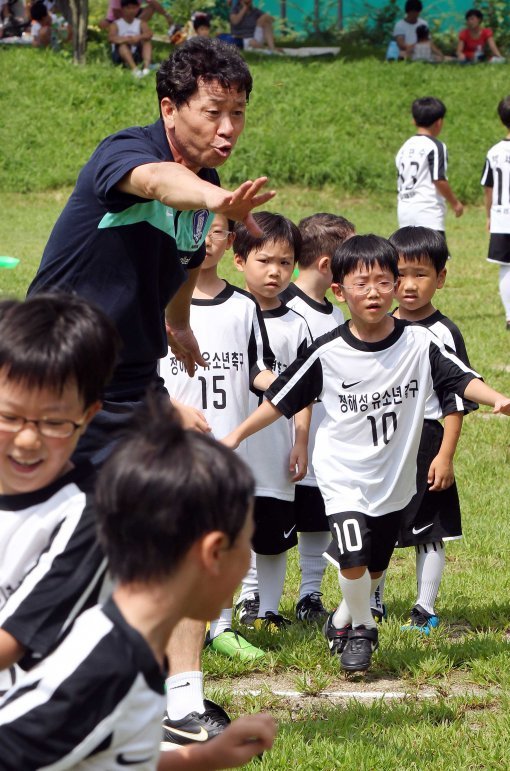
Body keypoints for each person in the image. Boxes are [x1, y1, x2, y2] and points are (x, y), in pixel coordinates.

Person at [223, 234, 510, 673]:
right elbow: (279, 399)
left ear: (394, 285)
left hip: (394, 479)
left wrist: (496, 399)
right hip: (343, 476)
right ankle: (362, 630)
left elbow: (460, 379)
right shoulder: (328, 352)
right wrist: (235, 436)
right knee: (353, 558)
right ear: (339, 291)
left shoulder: (418, 343)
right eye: (361, 284)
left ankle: (341, 619)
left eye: (382, 282)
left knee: (373, 569)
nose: (373, 292)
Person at [27, 36, 275, 470]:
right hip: (61, 363)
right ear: (169, 109)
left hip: (133, 374)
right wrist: (213, 198)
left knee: (163, 514)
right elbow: (159, 181)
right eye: (213, 112)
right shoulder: (126, 151)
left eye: (238, 113)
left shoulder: (207, 176)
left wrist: (178, 324)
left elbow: (188, 258)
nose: (228, 128)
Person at [0, 393, 277, 769]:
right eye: (246, 543)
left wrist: (206, 756)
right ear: (211, 553)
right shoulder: (103, 668)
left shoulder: (139, 656)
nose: (247, 565)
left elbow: (113, 758)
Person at [158, 213, 273, 745]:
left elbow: (257, 367)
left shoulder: (245, 306)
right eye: (195, 227)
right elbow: (129, 376)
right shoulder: (152, 297)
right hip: (164, 454)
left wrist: (296, 384)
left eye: (218, 229)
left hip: (222, 457)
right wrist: (168, 410)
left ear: (231, 240)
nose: (206, 240)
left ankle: (182, 696)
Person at [0, 293, 119, 694]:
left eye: (53, 422)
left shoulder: (87, 517)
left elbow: (10, 643)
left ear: (87, 416)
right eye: (9, 417)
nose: (28, 440)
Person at [369, 226, 478, 630]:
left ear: (442, 278)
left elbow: (456, 399)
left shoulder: (443, 332)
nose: (409, 286)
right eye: (400, 275)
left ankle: (424, 608)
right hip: (382, 441)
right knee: (379, 523)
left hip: (427, 442)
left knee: (429, 527)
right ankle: (374, 600)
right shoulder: (377, 324)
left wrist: (445, 455)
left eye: (421, 274)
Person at [233, 211, 311, 631]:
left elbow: (306, 392)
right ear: (240, 259)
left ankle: (269, 610)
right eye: (265, 261)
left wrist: (300, 439)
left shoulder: (298, 323)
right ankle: (245, 601)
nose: (275, 272)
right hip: (233, 441)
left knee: (274, 535)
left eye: (285, 262)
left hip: (275, 448)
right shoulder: (230, 311)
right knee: (236, 528)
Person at [279, 213, 353, 623]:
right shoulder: (282, 309)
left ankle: (309, 594)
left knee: (317, 520)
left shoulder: (336, 314)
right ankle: (253, 596)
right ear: (328, 265)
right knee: (269, 523)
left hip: (322, 441)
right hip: (281, 440)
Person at [395, 97, 464, 241]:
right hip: (427, 211)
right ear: (439, 122)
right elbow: (439, 179)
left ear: (414, 120)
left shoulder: (404, 147)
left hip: (404, 210)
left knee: (409, 258)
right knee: (436, 261)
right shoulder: (435, 146)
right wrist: (455, 203)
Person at [481, 95, 510, 331]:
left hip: (502, 215)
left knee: (506, 266)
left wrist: (490, 214)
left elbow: (488, 187)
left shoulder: (494, 152)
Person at [108, 0, 153, 78]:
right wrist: (127, 40)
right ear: (122, 9)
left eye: (134, 8)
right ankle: (135, 70)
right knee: (122, 46)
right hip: (120, 55)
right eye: (128, 8)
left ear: (137, 9)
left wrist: (139, 37)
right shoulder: (115, 24)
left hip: (136, 52)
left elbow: (149, 34)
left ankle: (146, 69)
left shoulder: (141, 23)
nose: (131, 11)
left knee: (147, 42)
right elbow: (111, 38)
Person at [99, 0, 172, 31]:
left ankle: (136, 29)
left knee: (152, 7)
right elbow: (116, 12)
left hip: (135, 16)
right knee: (102, 23)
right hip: (117, 19)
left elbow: (153, 2)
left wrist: (167, 15)